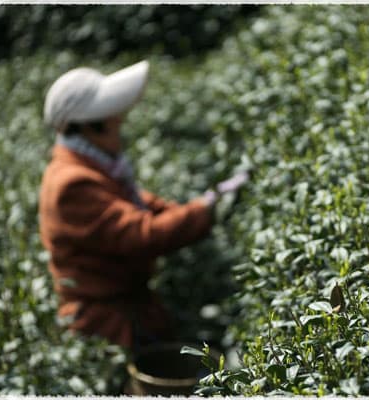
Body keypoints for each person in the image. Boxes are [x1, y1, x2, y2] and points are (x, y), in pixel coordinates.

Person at [39, 60, 248, 349]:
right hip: (106, 325)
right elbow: (140, 233)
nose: (120, 126)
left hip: (133, 309)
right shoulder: (72, 183)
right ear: (91, 126)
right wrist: (206, 210)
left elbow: (142, 204)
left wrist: (195, 207)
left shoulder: (95, 166)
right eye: (115, 121)